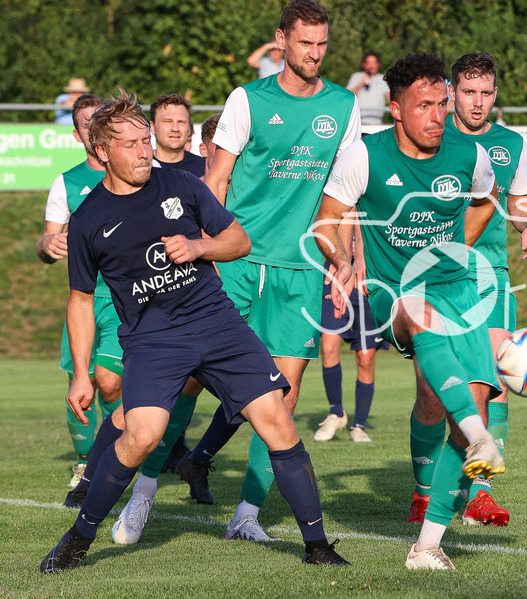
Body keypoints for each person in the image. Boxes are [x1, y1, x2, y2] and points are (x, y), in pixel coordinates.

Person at [40, 89, 350, 573]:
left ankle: (318, 547)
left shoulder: (180, 185)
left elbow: (238, 239)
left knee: (278, 420)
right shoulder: (87, 221)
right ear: (102, 152)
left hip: (217, 324)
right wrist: (80, 374)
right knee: (143, 435)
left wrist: (198, 247)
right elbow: (80, 300)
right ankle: (79, 538)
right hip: (152, 339)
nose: (144, 151)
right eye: (130, 144)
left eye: (146, 140)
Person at [172, 0, 360, 542]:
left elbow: (342, 198)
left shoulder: (345, 106)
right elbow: (217, 181)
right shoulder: (247, 99)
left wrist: (344, 261)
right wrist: (202, 249)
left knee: (281, 397)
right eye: (305, 43)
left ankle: (247, 515)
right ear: (282, 41)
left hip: (299, 268)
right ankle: (142, 490)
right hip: (236, 260)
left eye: (323, 44)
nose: (315, 54)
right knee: (189, 375)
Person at [313, 51, 504, 570]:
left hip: (459, 288)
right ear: (396, 108)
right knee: (420, 314)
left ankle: (428, 545)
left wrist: (453, 250)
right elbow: (327, 221)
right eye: (425, 106)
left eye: (443, 104)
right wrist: (343, 265)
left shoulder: (469, 155)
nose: (438, 116)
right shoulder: (364, 157)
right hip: (389, 292)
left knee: (447, 406)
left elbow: (488, 200)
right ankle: (481, 438)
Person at [401, 51, 527, 528]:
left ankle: (480, 491)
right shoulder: (434, 136)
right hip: (436, 279)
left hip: (491, 277)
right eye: (468, 93)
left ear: (495, 95)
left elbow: (519, 200)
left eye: (486, 93)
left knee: (495, 380)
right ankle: (424, 489)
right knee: (431, 392)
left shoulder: (512, 144)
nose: (477, 102)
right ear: (451, 91)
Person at [36, 94, 124, 493]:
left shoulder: (137, 174)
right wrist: (47, 246)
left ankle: (116, 453)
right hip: (85, 299)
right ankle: (86, 462)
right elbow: (47, 241)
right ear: (77, 134)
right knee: (80, 379)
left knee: (108, 381)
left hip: (127, 298)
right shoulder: (67, 182)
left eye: (99, 120)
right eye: (86, 123)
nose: (93, 128)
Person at [314, 236, 390, 443]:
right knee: (328, 346)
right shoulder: (338, 203)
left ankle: (359, 426)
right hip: (336, 274)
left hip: (369, 279)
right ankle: (336, 413)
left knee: (365, 359)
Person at [150, 94, 207, 179]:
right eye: (168, 121)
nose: (175, 129)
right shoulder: (141, 166)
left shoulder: (205, 168)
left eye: (181, 122)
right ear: (153, 127)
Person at [346, 51, 389, 125]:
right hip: (358, 122)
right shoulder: (356, 76)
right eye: (369, 63)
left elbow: (391, 98)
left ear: (378, 64)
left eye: (374, 63)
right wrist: (360, 84)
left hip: (376, 123)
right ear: (364, 65)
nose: (372, 66)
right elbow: (347, 96)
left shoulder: (383, 79)